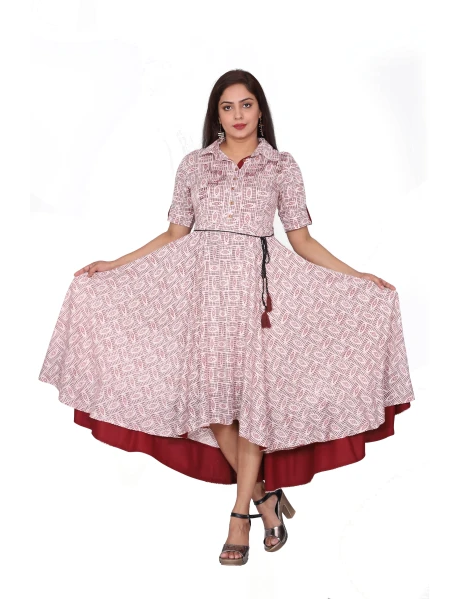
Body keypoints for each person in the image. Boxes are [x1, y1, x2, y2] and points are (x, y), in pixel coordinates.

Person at [38, 69, 415, 567]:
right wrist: (116, 264)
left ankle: (240, 516)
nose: (238, 115)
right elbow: (175, 234)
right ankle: (266, 497)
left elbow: (301, 240)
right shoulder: (195, 165)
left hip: (258, 299)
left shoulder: (281, 166)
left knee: (251, 405)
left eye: (246, 104)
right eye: (227, 106)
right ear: (216, 114)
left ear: (260, 110)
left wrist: (357, 276)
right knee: (215, 406)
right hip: (204, 297)